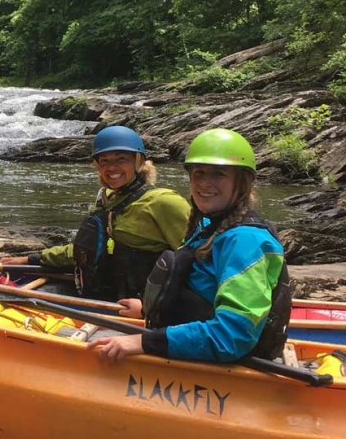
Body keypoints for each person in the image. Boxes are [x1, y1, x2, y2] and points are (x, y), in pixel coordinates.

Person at [87, 128, 292, 363]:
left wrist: (143, 342)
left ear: (243, 181)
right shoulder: (210, 226)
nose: (205, 183)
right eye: (199, 173)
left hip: (220, 367)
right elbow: (199, 290)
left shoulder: (245, 241)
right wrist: (147, 309)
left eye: (218, 174)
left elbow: (232, 336)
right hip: (186, 345)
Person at [2, 126, 191, 304]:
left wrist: (150, 307)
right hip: (108, 296)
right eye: (104, 161)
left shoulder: (165, 203)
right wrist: (33, 258)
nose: (112, 168)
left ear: (138, 161)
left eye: (121, 159)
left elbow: (197, 264)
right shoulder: (107, 199)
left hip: (144, 306)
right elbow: (86, 250)